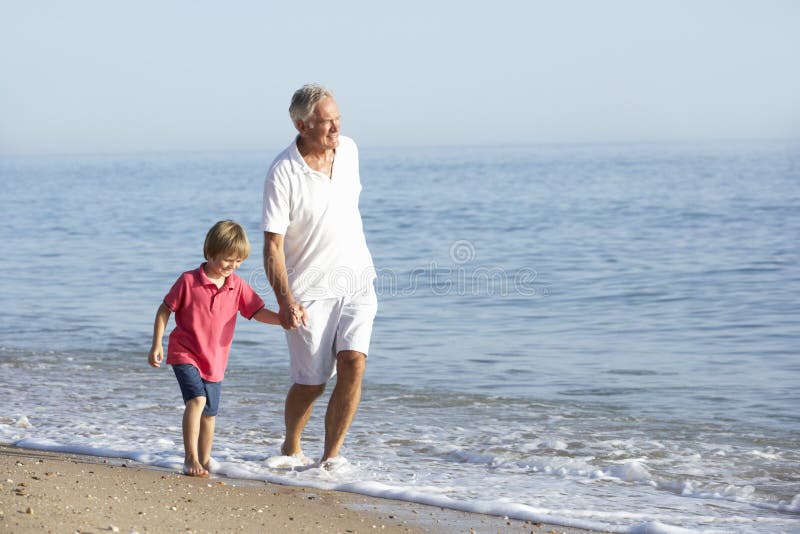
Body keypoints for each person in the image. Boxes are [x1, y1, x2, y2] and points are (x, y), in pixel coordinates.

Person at [262, 84, 377, 467]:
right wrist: (285, 301)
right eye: (325, 122)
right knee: (311, 383)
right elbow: (273, 246)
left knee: (354, 363)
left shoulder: (351, 152)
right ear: (301, 124)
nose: (335, 128)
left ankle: (330, 459)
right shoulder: (283, 172)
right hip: (309, 292)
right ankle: (291, 446)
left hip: (357, 280)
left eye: (338, 118)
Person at [148, 220, 280, 477]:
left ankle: (205, 461)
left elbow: (257, 312)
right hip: (184, 352)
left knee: (209, 414)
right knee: (197, 400)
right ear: (210, 253)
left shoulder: (237, 285)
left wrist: (282, 320)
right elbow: (165, 309)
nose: (233, 266)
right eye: (228, 260)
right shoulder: (188, 281)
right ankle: (190, 459)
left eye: (238, 261)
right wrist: (157, 343)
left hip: (216, 360)